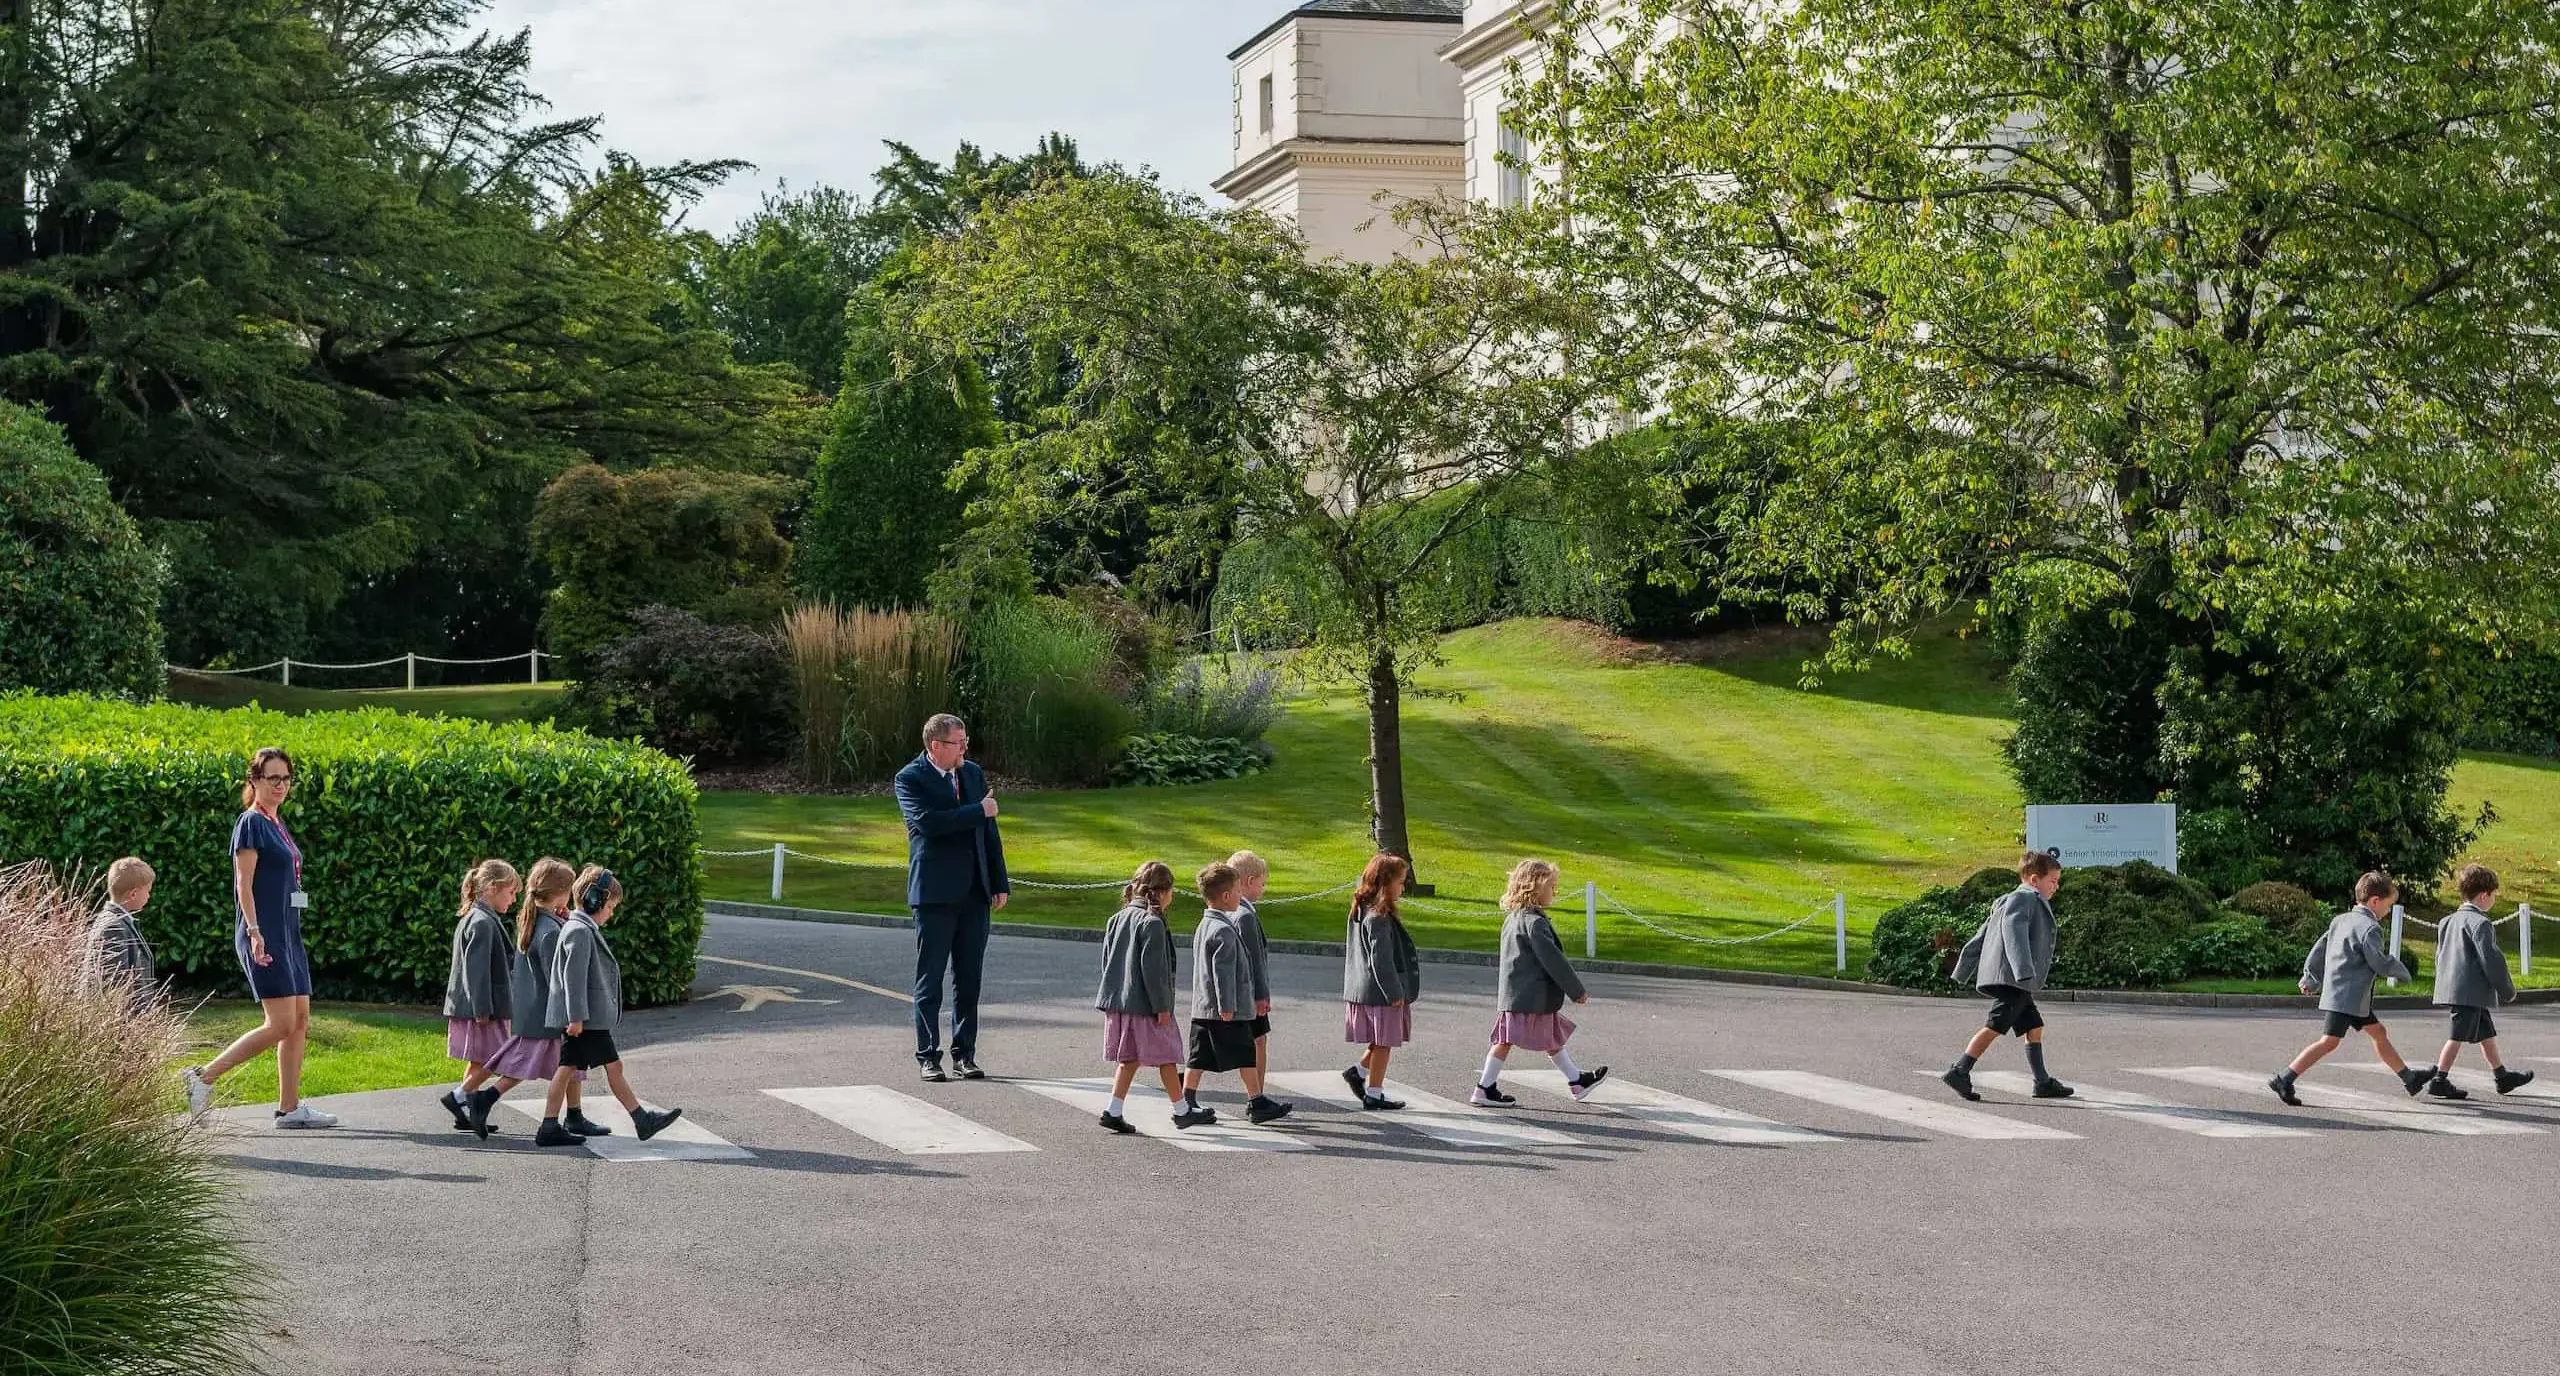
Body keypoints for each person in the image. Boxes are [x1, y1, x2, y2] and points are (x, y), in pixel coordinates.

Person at [182, 747, 336, 1128]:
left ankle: (289, 1108)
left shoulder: (276, 822)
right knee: (281, 1023)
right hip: (262, 934)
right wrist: (254, 932)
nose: (281, 785)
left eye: (286, 778)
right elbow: (242, 883)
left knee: (300, 1019)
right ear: (254, 781)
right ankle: (202, 1078)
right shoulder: (250, 823)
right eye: (272, 778)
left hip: (287, 934)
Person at [894, 713, 1010, 1083]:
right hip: (934, 894)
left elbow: (988, 832)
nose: (964, 748)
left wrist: (998, 881)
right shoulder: (910, 778)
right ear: (935, 746)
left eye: (965, 741)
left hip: (975, 891)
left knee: (969, 978)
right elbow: (928, 823)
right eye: (958, 743)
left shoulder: (972, 774)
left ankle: (965, 1054)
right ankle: (929, 1055)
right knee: (930, 979)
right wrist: (978, 811)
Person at [542, 866, 681, 1145]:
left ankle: (552, 1126)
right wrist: (577, 1017)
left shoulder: (580, 927)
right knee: (593, 1067)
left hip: (585, 1019)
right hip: (584, 1021)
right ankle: (640, 1119)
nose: (611, 912)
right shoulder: (579, 931)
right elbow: (574, 979)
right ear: (595, 900)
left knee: (579, 1067)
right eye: (610, 906)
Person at [472, 858, 608, 1140]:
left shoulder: (540, 922)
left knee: (571, 1065)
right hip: (547, 1016)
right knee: (526, 1066)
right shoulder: (549, 932)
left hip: (537, 1012)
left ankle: (574, 1115)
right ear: (560, 892)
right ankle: (483, 1099)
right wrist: (573, 1013)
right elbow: (558, 979)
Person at [2270, 871, 2434, 1104]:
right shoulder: (2370, 928)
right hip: (2348, 999)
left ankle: (2410, 1078)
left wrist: (2310, 976)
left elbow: (2320, 948)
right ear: (2375, 901)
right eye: (2388, 906)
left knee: (2378, 1032)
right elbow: (2377, 960)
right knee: (2329, 1042)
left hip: (2351, 997)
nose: (2387, 912)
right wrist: (2401, 970)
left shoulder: (2340, 920)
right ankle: (2285, 1079)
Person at [1940, 851, 2072, 1103]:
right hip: (2012, 978)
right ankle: (1959, 1070)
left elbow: (1984, 932)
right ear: (2035, 880)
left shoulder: (2010, 899)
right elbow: (2014, 933)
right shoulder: (2024, 899)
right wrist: (2023, 970)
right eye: (2053, 881)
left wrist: (1965, 966)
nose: (2056, 886)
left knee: (2033, 1025)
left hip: (2013, 979)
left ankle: (2042, 1082)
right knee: (1995, 1025)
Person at [1474, 858, 1608, 1106]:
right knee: (1505, 1041)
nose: (1554, 891)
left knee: (1550, 1038)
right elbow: (1553, 960)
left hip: (1517, 995)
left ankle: (1576, 1080)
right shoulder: (1534, 923)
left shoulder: (1514, 918)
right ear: (1534, 887)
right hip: (1530, 997)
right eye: (1551, 886)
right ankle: (1484, 1087)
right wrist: (1576, 991)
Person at [1183, 862, 1293, 1128]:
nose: (1238, 897)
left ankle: (1186, 1098)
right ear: (1225, 896)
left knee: (1199, 1056)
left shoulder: (1205, 924)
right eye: (1235, 892)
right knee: (1245, 1053)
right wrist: (1227, 1005)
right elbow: (1221, 972)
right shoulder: (1222, 929)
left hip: (1203, 1007)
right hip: (1225, 1009)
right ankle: (1256, 1101)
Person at [2428, 864, 2533, 1100]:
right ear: (2484, 895)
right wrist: (2507, 990)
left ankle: (2502, 1076)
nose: (2494, 900)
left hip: (2456, 988)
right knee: (2457, 1036)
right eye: (2494, 895)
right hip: (2469, 992)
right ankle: (2439, 1079)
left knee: (2486, 1032)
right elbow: (2492, 960)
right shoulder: (2481, 923)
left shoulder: (2447, 921)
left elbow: (2440, 955)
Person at [1095, 861, 1185, 1134]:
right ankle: (1182, 1110)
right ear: (1161, 892)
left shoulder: (1117, 918)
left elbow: (1107, 962)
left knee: (1130, 1058)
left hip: (1120, 1003)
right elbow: (1154, 971)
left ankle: (1114, 1109)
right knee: (1167, 1055)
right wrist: (1163, 1007)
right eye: (1171, 890)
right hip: (1145, 1005)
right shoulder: (1152, 923)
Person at [438, 858, 519, 1139]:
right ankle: (459, 1096)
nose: (514, 898)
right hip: (483, 1009)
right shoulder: (483, 922)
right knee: (496, 1059)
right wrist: (482, 1009)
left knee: (478, 1060)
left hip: (473, 1006)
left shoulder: (476, 917)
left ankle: (465, 1112)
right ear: (492, 888)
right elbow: (477, 971)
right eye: (511, 892)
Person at [1341, 852, 1420, 1111]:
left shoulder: (1361, 909)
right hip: (1380, 991)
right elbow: (1381, 960)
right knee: (1385, 1042)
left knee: (1379, 1037)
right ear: (1385, 883)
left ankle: (1359, 1072)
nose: (1402, 886)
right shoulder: (1378, 916)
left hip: (1365, 989)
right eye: (1400, 881)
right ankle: (1374, 1093)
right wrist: (1394, 992)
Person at [1227, 850, 1277, 1092]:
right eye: (1262, 883)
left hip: (1238, 991)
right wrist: (1262, 995)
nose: (1263, 889)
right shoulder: (1245, 915)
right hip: (1250, 993)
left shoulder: (1231, 910)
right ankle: (1258, 1093)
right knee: (1259, 1042)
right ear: (1249, 881)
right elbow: (1255, 960)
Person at [81, 856, 158, 1007]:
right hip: (123, 1022)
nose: (149, 895)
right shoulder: (113, 927)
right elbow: (114, 984)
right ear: (133, 894)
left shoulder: (121, 921)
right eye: (147, 891)